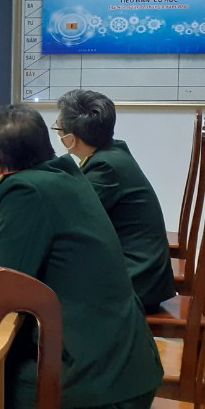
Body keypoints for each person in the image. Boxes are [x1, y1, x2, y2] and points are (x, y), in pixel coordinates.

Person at [0, 105, 163, 409]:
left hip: (101, 392)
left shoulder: (24, 190)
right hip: (124, 370)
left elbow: (4, 289)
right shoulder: (66, 174)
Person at [54, 89, 176, 313]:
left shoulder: (105, 167)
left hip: (137, 280)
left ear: (70, 138)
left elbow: (70, 222)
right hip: (141, 271)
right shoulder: (111, 154)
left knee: (49, 292)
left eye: (58, 129)